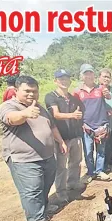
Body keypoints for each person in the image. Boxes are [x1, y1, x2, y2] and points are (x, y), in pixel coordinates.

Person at [0, 76, 68, 221]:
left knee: (45, 184)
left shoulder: (40, 107)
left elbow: (52, 126)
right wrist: (25, 113)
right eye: (27, 91)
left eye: (34, 91)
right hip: (24, 159)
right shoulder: (8, 106)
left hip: (47, 156)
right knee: (32, 189)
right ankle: (37, 219)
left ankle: (43, 206)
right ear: (16, 91)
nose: (31, 94)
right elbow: (12, 119)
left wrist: (61, 141)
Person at [45, 69, 85, 203]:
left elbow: (81, 113)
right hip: (60, 138)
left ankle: (73, 183)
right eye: (61, 79)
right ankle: (61, 192)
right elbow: (55, 114)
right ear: (55, 81)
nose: (64, 81)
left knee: (76, 161)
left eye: (66, 78)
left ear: (70, 81)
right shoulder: (51, 96)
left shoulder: (73, 98)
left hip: (75, 135)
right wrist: (72, 115)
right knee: (61, 166)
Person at [73, 64, 112, 183]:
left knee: (101, 150)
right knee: (88, 151)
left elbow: (109, 97)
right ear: (82, 76)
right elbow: (75, 108)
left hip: (101, 125)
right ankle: (90, 172)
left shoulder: (100, 89)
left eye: (90, 73)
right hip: (86, 126)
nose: (88, 76)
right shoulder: (77, 92)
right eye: (86, 73)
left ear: (94, 75)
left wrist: (107, 95)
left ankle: (99, 170)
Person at [98, 68, 112, 172]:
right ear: (99, 78)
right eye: (104, 77)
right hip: (102, 122)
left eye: (108, 77)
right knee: (103, 145)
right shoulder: (96, 89)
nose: (106, 79)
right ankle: (101, 167)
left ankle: (109, 162)